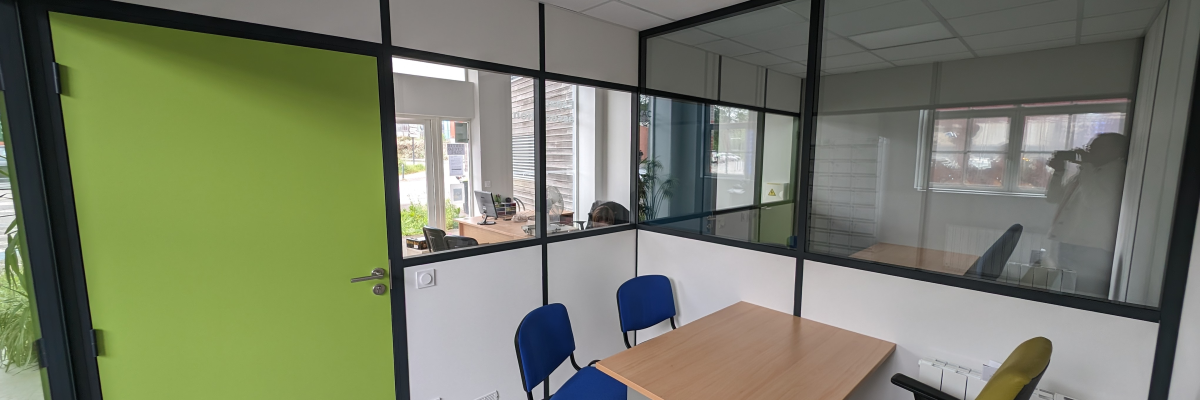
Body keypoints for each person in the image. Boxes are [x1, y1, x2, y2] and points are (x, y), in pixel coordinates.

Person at [1045, 132, 1129, 298]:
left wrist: (1086, 165)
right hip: (1070, 241)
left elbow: (1094, 199)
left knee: (1086, 296)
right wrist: (1059, 171)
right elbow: (1053, 197)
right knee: (1067, 292)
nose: (1090, 151)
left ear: (1118, 151)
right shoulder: (1089, 171)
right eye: (1090, 146)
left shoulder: (1118, 173)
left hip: (1092, 248)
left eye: (1097, 147)